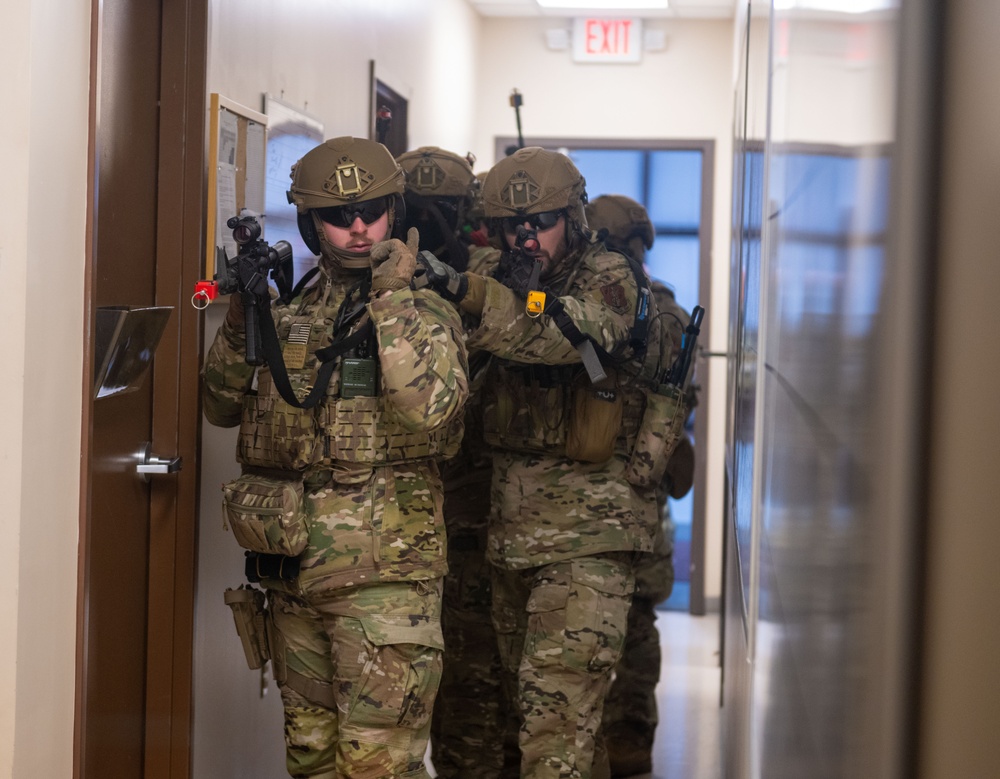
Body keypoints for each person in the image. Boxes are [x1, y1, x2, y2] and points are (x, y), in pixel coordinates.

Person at [202, 136, 469, 779]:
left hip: (385, 585)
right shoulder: (287, 308)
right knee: (311, 759)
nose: (358, 228)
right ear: (307, 222)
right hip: (293, 576)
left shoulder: (425, 308)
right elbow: (218, 403)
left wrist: (392, 298)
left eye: (373, 210)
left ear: (393, 210)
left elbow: (430, 406)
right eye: (337, 216)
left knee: (379, 766)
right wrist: (245, 312)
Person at [417, 147, 672, 779]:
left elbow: (564, 329)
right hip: (514, 541)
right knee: (548, 729)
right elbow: (453, 265)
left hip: (587, 543)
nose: (525, 237)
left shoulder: (610, 277)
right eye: (510, 225)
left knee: (553, 737)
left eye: (542, 222)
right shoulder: (503, 271)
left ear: (575, 219)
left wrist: (473, 290)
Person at [396, 145, 512, 777]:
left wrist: (459, 279)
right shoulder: (383, 273)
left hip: (478, 509)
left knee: (473, 676)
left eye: (444, 210)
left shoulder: (500, 277)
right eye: (419, 207)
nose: (431, 221)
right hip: (400, 515)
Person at [585, 194, 697, 777]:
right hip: (620, 494)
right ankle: (626, 736)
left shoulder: (659, 314)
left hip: (633, 487)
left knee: (630, 625)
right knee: (626, 625)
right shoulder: (664, 310)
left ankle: (627, 734)